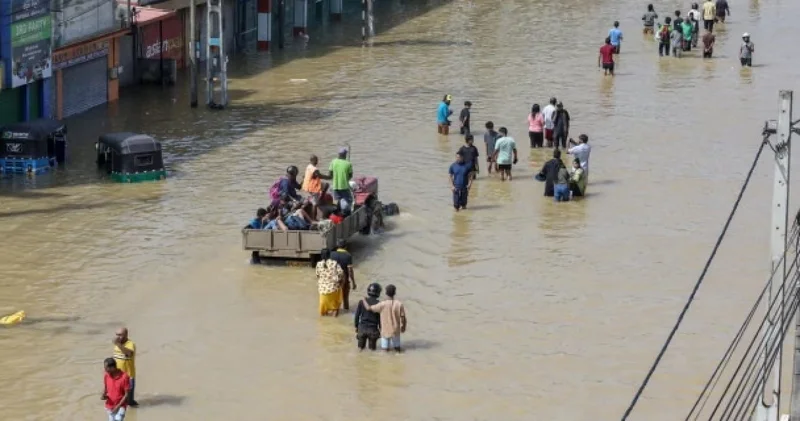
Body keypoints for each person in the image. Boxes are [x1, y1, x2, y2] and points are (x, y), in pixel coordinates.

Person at [361, 284, 406, 353]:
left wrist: (364, 299)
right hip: (395, 330)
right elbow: (403, 317)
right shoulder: (399, 304)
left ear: (386, 293)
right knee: (397, 349)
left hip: (385, 330)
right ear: (395, 293)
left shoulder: (382, 304)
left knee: (384, 350)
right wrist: (403, 326)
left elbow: (368, 308)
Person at [112, 327, 137, 407]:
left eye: (120, 335)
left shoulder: (130, 344)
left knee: (130, 402)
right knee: (118, 398)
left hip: (128, 376)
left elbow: (129, 353)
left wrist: (118, 344)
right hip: (117, 376)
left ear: (126, 335)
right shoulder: (117, 345)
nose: (117, 337)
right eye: (116, 335)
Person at [354, 283, 382, 351]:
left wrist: (356, 326)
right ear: (378, 293)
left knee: (360, 349)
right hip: (373, 329)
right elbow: (380, 319)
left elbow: (357, 316)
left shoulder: (362, 302)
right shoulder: (379, 304)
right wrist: (381, 329)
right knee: (372, 351)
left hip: (362, 328)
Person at [330, 239, 356, 311]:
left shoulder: (332, 254)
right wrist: (353, 282)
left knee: (335, 299)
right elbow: (350, 270)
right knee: (345, 298)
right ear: (345, 246)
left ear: (337, 246)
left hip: (334, 280)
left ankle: (335, 313)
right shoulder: (348, 255)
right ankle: (346, 311)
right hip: (345, 280)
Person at [316, 248, 343, 317]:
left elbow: (317, 275)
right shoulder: (334, 263)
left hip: (322, 290)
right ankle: (334, 322)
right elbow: (341, 273)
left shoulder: (318, 264)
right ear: (329, 255)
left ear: (321, 255)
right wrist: (337, 280)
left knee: (323, 312)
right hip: (333, 289)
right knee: (335, 308)